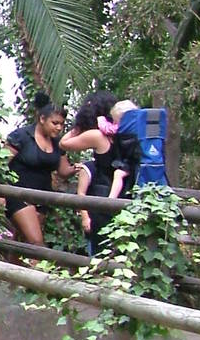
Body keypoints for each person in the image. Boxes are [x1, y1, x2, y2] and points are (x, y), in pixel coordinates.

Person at [59, 92, 142, 255]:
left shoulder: (97, 136)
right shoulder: (130, 136)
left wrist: (80, 125)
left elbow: (64, 143)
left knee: (100, 254)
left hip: (102, 199)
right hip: (127, 197)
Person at [2, 92, 74, 246]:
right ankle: (39, 270)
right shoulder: (21, 136)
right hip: (18, 194)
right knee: (36, 242)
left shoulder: (57, 143)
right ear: (42, 119)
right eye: (55, 123)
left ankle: (9, 268)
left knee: (22, 241)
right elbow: (0, 164)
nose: (59, 127)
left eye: (62, 124)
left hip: (42, 198)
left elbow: (63, 171)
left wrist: (80, 168)